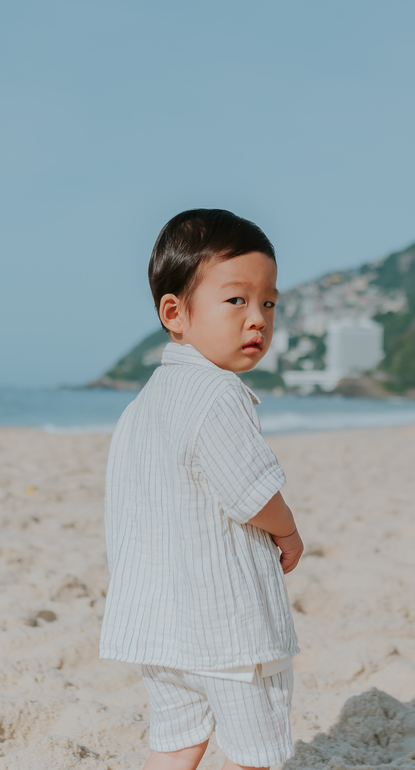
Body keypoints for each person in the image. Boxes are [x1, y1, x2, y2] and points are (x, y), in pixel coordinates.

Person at [100, 209, 304, 770]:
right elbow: (252, 491)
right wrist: (287, 532)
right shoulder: (218, 395)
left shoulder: (142, 407)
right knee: (253, 749)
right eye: (236, 300)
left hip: (158, 626)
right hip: (227, 628)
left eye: (269, 303)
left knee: (174, 739)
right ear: (176, 313)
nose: (257, 319)